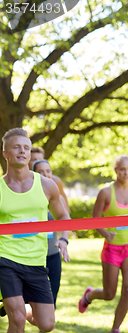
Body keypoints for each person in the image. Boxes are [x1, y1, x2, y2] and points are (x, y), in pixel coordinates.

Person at [0, 128, 71, 333]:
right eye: (16, 147)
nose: (22, 152)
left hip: (37, 260)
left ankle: (17, 304)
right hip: (6, 259)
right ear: (5, 153)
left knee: (47, 324)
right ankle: (16, 307)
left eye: (26, 148)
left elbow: (63, 216)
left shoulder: (47, 186)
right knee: (18, 320)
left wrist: (64, 240)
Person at [78, 155, 128, 333]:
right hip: (112, 249)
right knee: (109, 294)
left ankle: (115, 329)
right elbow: (94, 220)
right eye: (122, 169)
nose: (126, 173)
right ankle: (89, 295)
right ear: (115, 170)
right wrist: (106, 233)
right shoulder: (105, 193)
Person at [32, 159, 71, 308]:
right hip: (32, 256)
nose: (45, 175)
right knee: (30, 300)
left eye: (48, 171)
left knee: (51, 301)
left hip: (52, 253)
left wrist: (64, 240)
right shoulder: (27, 196)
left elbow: (65, 219)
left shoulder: (57, 197)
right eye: (40, 172)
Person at [29, 147, 70, 213]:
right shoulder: (23, 181)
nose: (37, 162)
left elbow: (64, 206)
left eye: (40, 159)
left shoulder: (55, 181)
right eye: (34, 159)